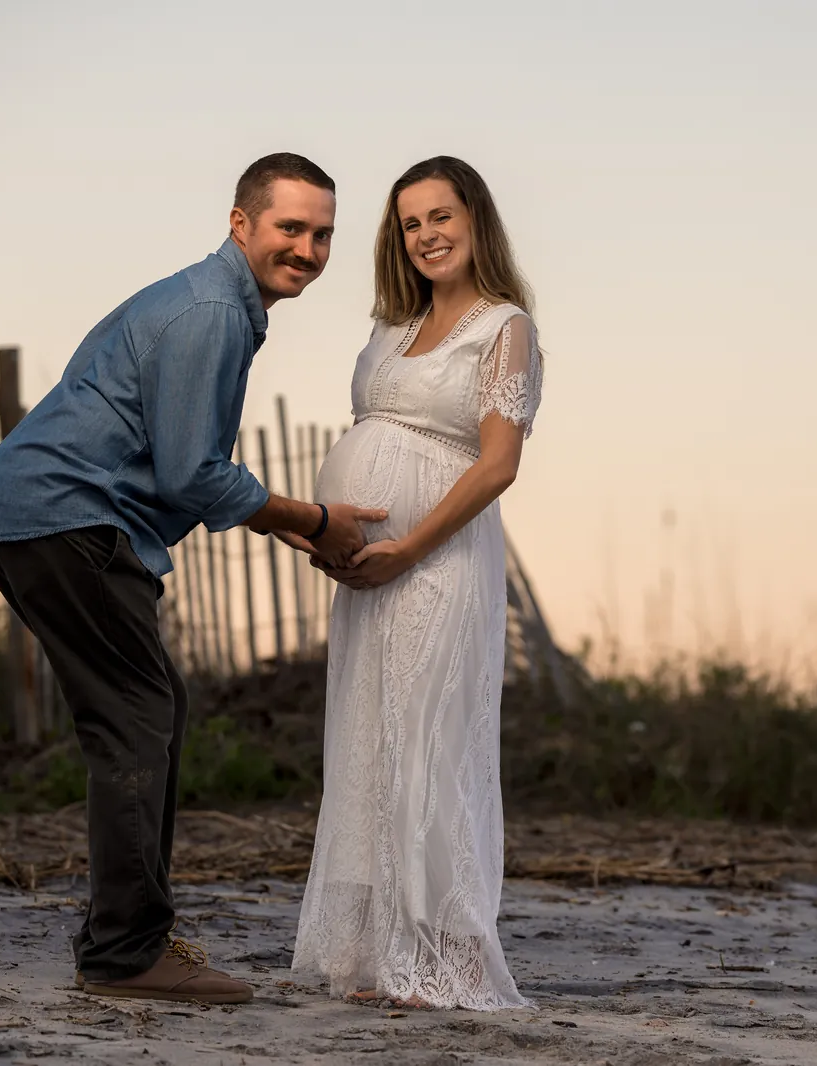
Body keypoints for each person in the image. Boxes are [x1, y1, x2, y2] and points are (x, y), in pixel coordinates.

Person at [0, 152, 385, 1005]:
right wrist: (315, 522)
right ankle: (123, 956)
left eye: (322, 233)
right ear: (241, 224)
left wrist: (296, 525)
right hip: (67, 517)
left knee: (147, 713)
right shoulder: (211, 312)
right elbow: (193, 474)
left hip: (53, 518)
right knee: (138, 718)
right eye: (290, 227)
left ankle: (122, 939)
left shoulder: (220, 305)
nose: (307, 248)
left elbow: (185, 470)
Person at [290, 156, 544, 1010]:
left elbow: (498, 464)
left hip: (441, 563)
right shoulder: (392, 326)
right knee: (370, 744)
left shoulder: (503, 326)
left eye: (442, 216)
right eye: (410, 223)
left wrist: (408, 547)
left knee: (432, 745)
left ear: (475, 221)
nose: (427, 235)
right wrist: (337, 535)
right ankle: (384, 953)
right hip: (371, 574)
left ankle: (452, 957)